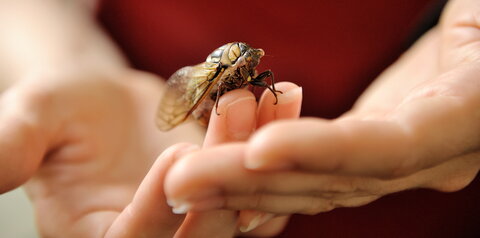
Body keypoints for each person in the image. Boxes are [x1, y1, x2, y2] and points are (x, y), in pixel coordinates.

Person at [0, 1, 478, 238]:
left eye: (251, 64)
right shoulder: (220, 73)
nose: (251, 67)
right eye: (244, 64)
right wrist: (58, 56)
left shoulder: (254, 69)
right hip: (152, 82)